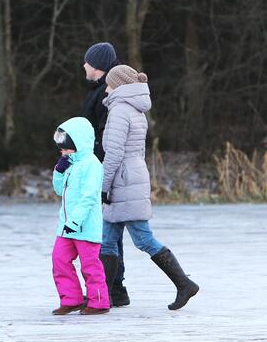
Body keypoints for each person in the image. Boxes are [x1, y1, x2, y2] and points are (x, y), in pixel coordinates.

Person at [99, 65, 199, 310]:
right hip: (131, 175)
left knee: (143, 238)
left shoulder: (120, 110)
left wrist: (103, 185)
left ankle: (184, 283)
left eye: (109, 82)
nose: (106, 86)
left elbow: (113, 153)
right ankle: (104, 295)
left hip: (123, 179)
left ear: (119, 85)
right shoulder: (135, 108)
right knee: (108, 240)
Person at [80, 41, 130, 307]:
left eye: (87, 61)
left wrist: (95, 165)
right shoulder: (99, 91)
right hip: (99, 168)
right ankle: (115, 287)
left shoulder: (105, 94)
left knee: (110, 231)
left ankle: (112, 287)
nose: (83, 66)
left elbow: (104, 134)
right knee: (109, 230)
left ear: (97, 65)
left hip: (103, 169)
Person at [51, 117, 110, 315]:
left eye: (66, 148)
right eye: (61, 149)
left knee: (90, 265)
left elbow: (89, 198)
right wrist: (59, 172)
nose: (63, 152)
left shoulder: (91, 165)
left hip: (85, 227)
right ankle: (71, 298)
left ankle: (99, 302)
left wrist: (76, 221)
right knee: (59, 259)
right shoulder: (71, 164)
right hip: (66, 226)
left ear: (78, 144)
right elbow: (60, 191)